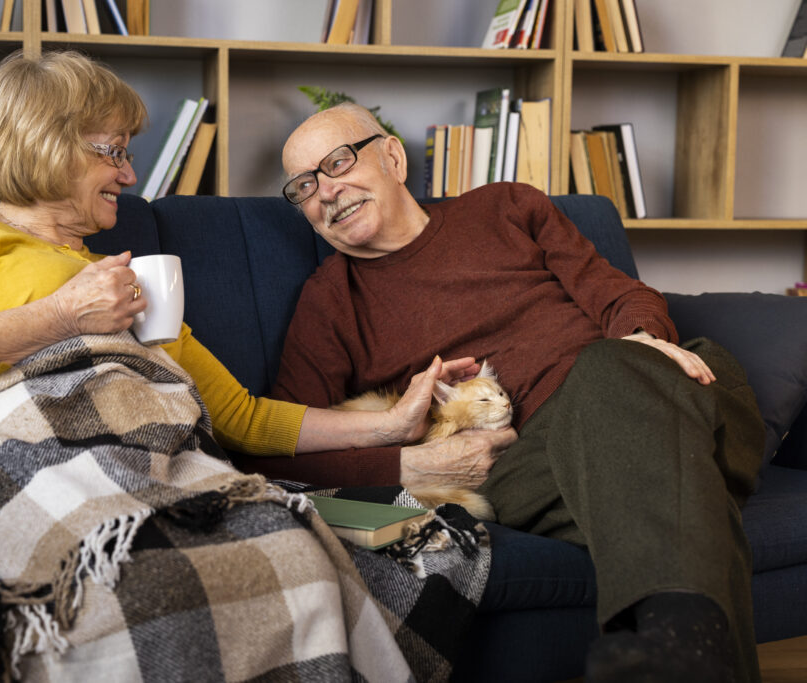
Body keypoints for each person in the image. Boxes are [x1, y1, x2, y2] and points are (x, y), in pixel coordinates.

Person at [266, 102, 766, 682]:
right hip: (531, 462)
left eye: (338, 163)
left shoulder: (505, 207)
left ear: (394, 158)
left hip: (664, 387)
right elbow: (279, 454)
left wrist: (642, 342)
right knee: (667, 482)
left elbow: (619, 294)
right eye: (304, 186)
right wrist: (408, 465)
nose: (326, 191)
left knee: (612, 370)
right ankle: (680, 650)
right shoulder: (329, 303)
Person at [0, 50, 478, 462]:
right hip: (21, 458)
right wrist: (62, 316)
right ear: (45, 143)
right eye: (113, 152)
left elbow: (243, 417)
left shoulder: (128, 279)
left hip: (143, 465)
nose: (129, 175)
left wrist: (393, 425)